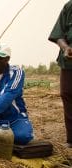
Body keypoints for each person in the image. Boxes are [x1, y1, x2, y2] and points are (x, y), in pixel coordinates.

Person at [48, 1, 72, 148]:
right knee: (67, 93)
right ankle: (71, 139)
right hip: (69, 61)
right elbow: (59, 34)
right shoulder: (69, 6)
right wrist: (66, 47)